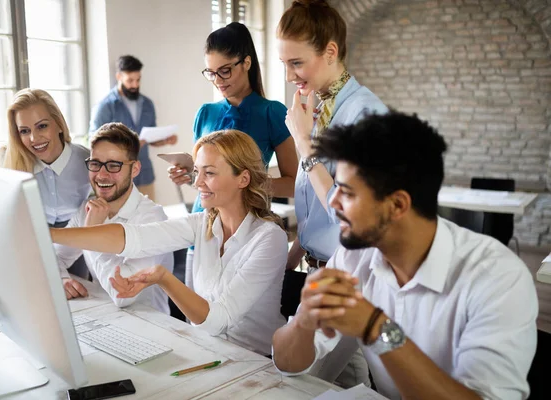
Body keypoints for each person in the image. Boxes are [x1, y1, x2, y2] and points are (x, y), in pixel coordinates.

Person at [272, 111, 538, 400]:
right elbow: (286, 364)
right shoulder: (354, 257)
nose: (332, 201)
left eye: (346, 192)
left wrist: (378, 329)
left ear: (397, 205)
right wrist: (303, 323)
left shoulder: (497, 277)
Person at [51, 129, 288, 356]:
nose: (197, 183)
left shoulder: (269, 237)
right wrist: (47, 233)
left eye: (210, 173)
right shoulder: (201, 223)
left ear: (243, 179)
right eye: (197, 172)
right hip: (208, 352)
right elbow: (134, 237)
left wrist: (164, 278)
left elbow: (220, 321)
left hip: (257, 362)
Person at [276, 0, 388, 272]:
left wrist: (304, 145)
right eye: (284, 64)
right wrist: (287, 268)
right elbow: (316, 213)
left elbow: (349, 213)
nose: (289, 75)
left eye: (297, 63)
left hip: (349, 277)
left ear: (330, 51)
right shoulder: (318, 109)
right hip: (313, 269)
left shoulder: (367, 115)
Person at [53, 122, 173, 314]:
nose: (101, 174)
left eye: (113, 166)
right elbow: (53, 257)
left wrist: (91, 234)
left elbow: (123, 295)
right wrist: (61, 279)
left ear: (134, 169)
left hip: (151, 326)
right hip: (104, 317)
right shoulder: (88, 209)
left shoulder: (152, 219)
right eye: (95, 164)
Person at [169, 22, 297, 200]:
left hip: (248, 218)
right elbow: (205, 182)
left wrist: (245, 184)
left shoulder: (272, 112)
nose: (218, 80)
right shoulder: (205, 113)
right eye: (211, 73)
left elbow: (294, 185)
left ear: (246, 62)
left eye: (225, 70)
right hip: (204, 218)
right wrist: (188, 177)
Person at [90, 55, 177, 200]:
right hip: (117, 176)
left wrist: (165, 140)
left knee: (150, 220)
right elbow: (94, 141)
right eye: (130, 80)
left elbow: (149, 139)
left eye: (138, 80)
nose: (135, 85)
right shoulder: (105, 106)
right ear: (119, 76)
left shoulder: (148, 104)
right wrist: (131, 144)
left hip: (144, 175)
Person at [1, 88, 90, 228]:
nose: (34, 138)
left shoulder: (88, 161)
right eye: (24, 131)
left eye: (42, 126)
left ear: (59, 125)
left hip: (80, 239)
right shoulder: (11, 162)